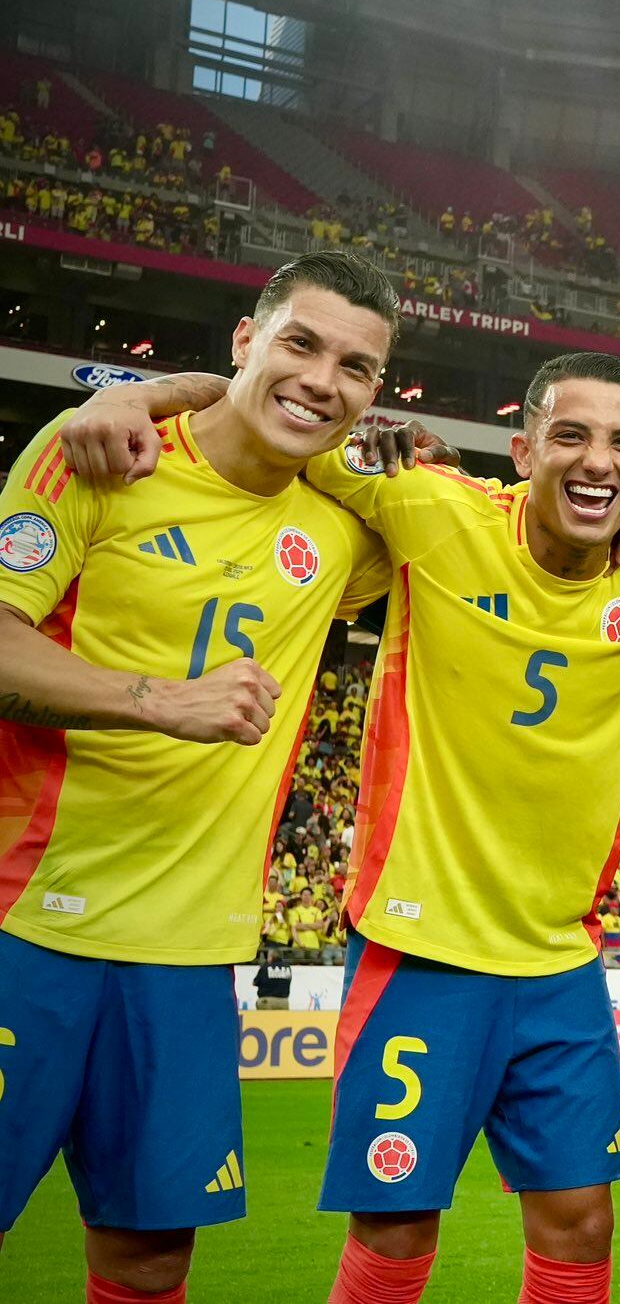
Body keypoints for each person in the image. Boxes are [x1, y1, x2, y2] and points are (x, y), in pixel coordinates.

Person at [65, 351, 620, 1304]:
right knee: (397, 1225)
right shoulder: (434, 509)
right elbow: (278, 410)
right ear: (523, 447)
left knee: (583, 1225)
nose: (598, 461)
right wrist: (137, 393)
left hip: (561, 962)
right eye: (572, 436)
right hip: (422, 951)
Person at [0, 250, 396, 1302]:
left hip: (187, 959)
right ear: (243, 342)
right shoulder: (99, 451)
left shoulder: (342, 529)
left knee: (148, 1257)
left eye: (355, 367)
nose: (322, 379)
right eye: (301, 343)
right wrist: (157, 699)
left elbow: (515, 531)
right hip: (24, 925)